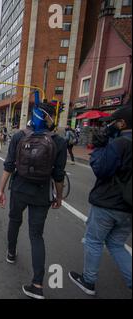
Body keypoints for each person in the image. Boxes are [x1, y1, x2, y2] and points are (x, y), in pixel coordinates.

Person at [0, 102, 67, 299]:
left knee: (14, 221)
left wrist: (1, 190)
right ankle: (37, 284)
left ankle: (11, 253)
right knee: (36, 235)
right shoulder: (59, 142)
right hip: (42, 193)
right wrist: (58, 197)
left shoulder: (20, 136)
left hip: (19, 189)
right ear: (49, 118)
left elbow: (9, 166)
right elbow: (59, 176)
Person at [69, 104, 132, 295]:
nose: (109, 126)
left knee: (93, 241)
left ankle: (88, 281)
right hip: (129, 207)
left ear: (122, 123)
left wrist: (98, 147)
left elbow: (101, 169)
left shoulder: (120, 143)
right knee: (116, 244)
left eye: (113, 122)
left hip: (109, 203)